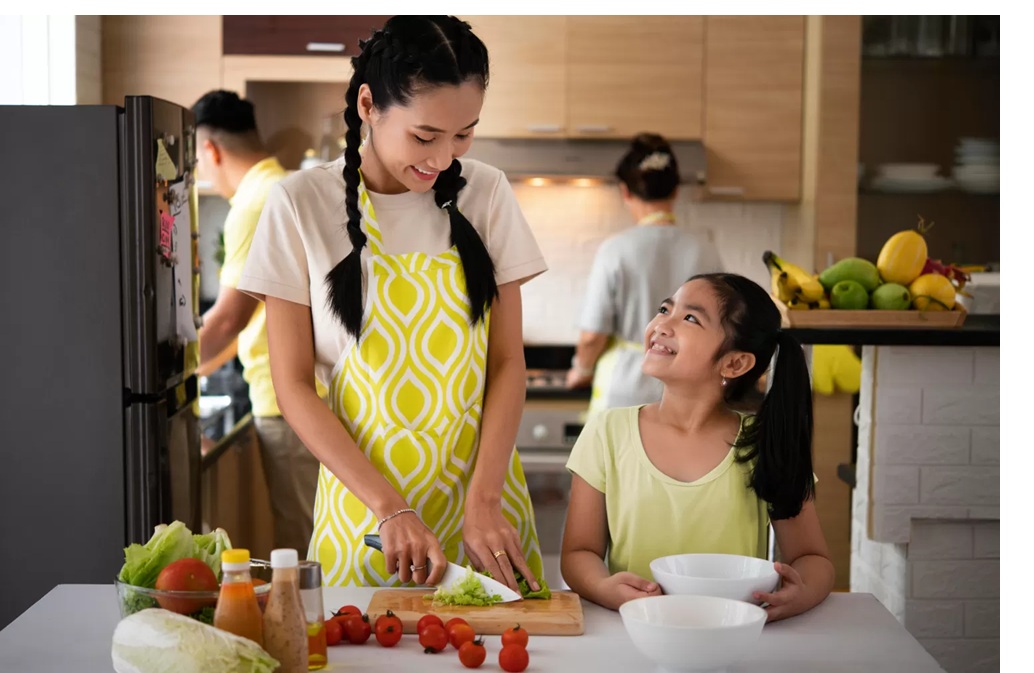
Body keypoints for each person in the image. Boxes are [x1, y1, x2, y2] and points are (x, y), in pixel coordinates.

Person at [236, 16, 548, 593]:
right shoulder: (298, 204)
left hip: (485, 515)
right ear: (368, 105)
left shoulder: (487, 193)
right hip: (368, 521)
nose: (444, 158)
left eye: (464, 135)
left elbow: (507, 363)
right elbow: (294, 385)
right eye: (425, 136)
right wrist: (389, 507)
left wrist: (484, 501)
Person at [561, 273, 834, 621]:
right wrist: (603, 587)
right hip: (634, 632)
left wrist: (803, 592)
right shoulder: (607, 432)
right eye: (665, 308)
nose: (662, 324)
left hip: (733, 636)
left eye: (690, 318)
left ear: (734, 362)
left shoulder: (762, 444)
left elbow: (813, 559)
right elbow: (579, 552)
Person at [192, 89, 323, 556]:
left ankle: (321, 629)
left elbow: (228, 320)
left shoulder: (253, 204)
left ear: (210, 149)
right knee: (315, 534)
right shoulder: (285, 187)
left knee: (304, 544)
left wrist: (166, 384)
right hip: (310, 393)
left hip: (286, 400)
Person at [566, 133, 723, 417]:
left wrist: (581, 370)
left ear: (625, 191)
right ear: (676, 191)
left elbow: (592, 336)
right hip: (688, 387)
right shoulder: (706, 250)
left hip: (627, 387)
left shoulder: (616, 249)